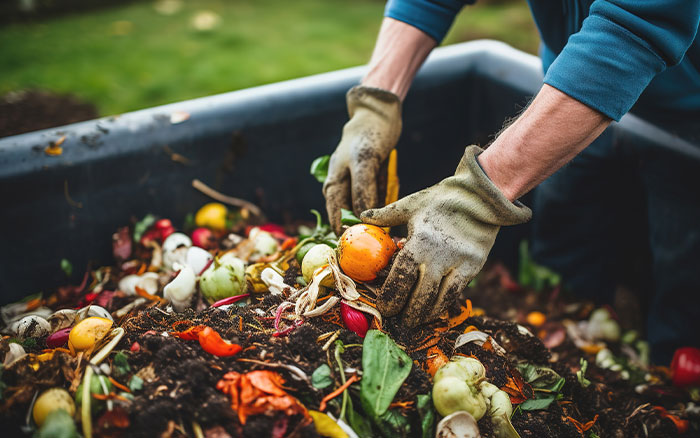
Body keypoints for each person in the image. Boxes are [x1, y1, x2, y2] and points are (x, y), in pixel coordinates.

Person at [322, 0, 700, 365]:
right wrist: (376, 100)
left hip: (686, 109)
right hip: (570, 94)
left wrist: (480, 196)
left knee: (684, 280)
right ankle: (578, 350)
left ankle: (674, 390)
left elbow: (637, 22)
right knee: (562, 261)